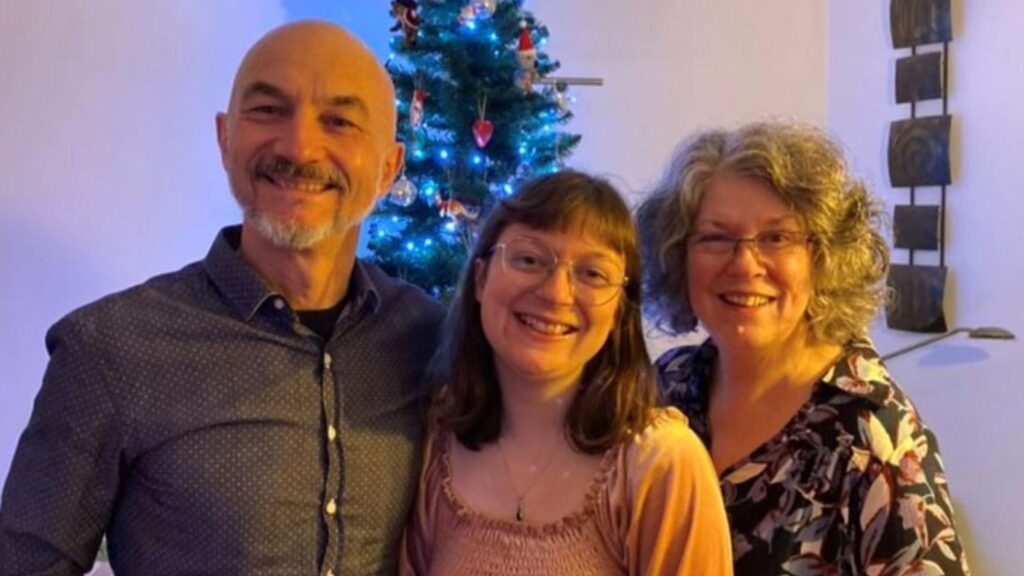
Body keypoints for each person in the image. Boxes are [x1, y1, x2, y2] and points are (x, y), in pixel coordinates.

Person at [0, 20, 444, 576]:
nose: (299, 146)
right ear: (225, 139)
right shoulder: (111, 349)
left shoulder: (429, 340)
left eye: (339, 121)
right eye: (268, 110)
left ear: (389, 168)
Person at [636, 122, 971, 575]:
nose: (745, 264)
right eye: (715, 237)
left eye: (776, 237)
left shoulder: (875, 436)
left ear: (823, 257)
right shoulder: (666, 387)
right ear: (677, 255)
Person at [400, 171, 733, 576]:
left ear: (619, 311)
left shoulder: (661, 465)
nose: (556, 292)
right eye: (528, 259)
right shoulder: (437, 447)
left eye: (592, 274)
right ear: (481, 278)